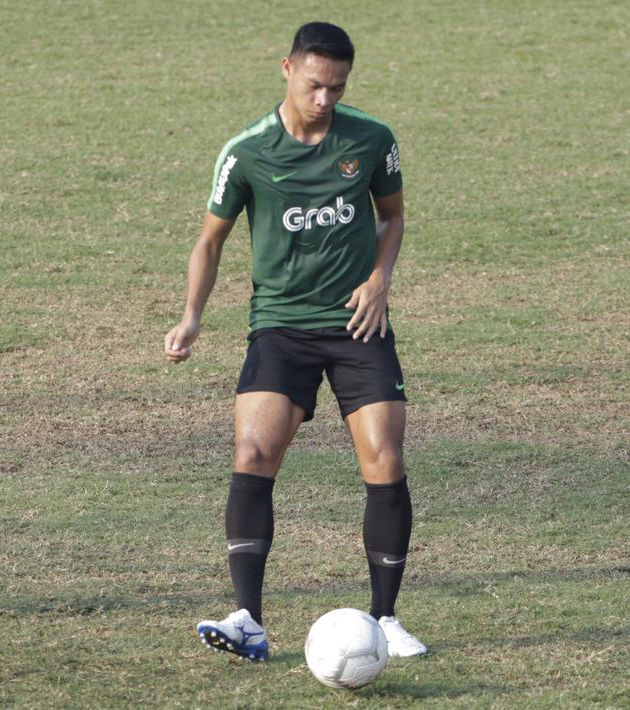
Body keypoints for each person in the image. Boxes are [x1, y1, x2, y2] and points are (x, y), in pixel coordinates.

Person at [164, 22, 426, 661]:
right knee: (253, 452)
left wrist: (379, 280)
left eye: (337, 87)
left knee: (384, 458)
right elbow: (210, 240)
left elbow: (392, 217)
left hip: (358, 323)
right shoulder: (247, 151)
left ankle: (386, 618)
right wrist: (192, 316)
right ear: (287, 69)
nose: (325, 99)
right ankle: (248, 620)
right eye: (315, 85)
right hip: (280, 326)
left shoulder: (371, 139)